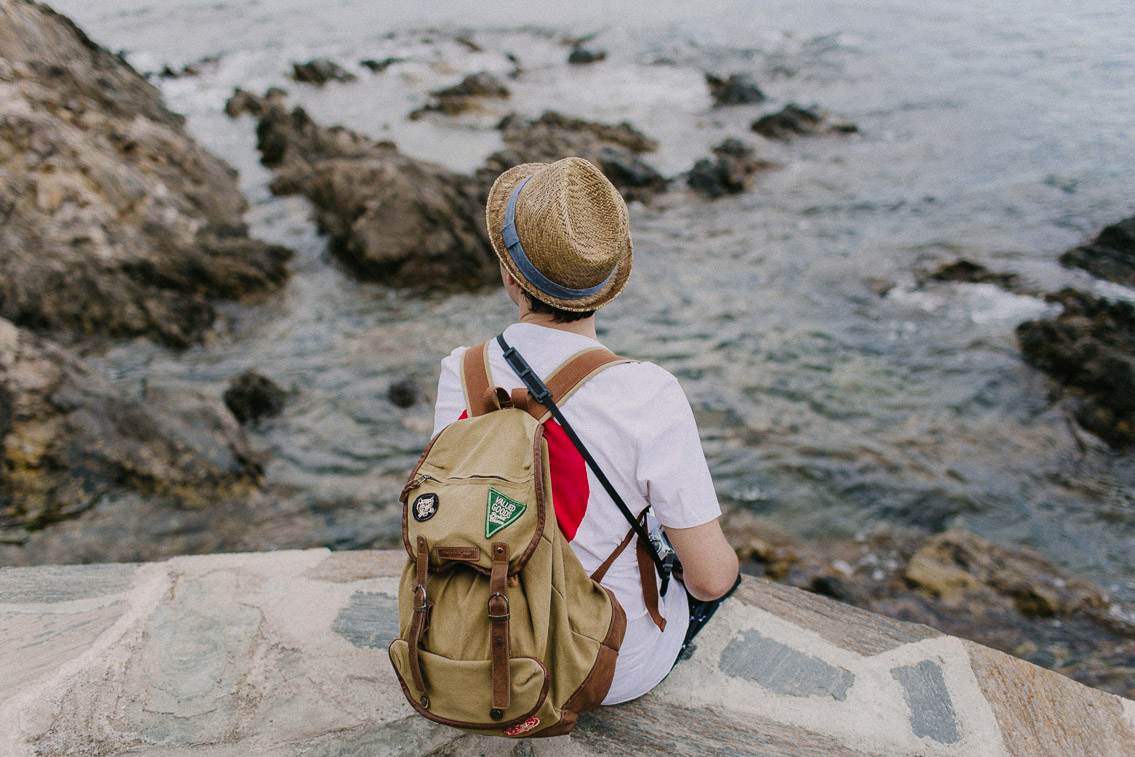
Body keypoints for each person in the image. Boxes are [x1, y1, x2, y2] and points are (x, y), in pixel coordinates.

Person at [431, 156, 740, 704]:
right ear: (607, 285)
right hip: (605, 669)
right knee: (714, 570)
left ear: (509, 276)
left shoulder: (462, 371)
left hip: (483, 646)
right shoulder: (649, 392)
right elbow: (710, 579)